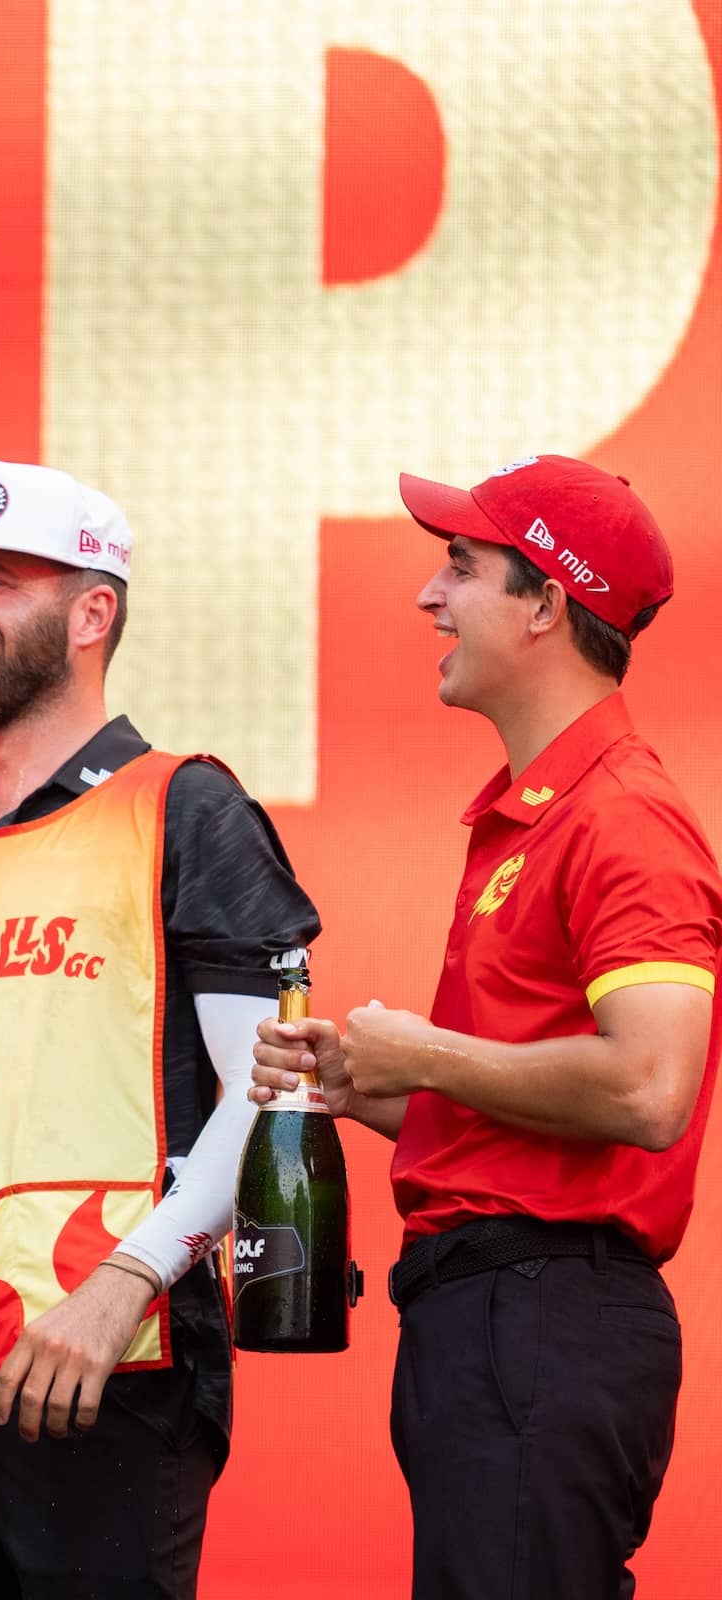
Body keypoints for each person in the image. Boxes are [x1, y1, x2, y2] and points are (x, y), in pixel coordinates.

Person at [0, 463, 321, 1598]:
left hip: (102, 1366)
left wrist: (126, 1279)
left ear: (95, 612)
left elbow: (275, 1094)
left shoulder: (185, 805)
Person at [251, 455, 719, 1599]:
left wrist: (428, 1051)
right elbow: (523, 1101)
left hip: (543, 1315)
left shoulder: (624, 815)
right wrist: (362, 1084)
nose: (429, 597)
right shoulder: (536, 817)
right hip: (496, 1316)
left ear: (547, 601)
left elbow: (652, 1086)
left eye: (459, 567)